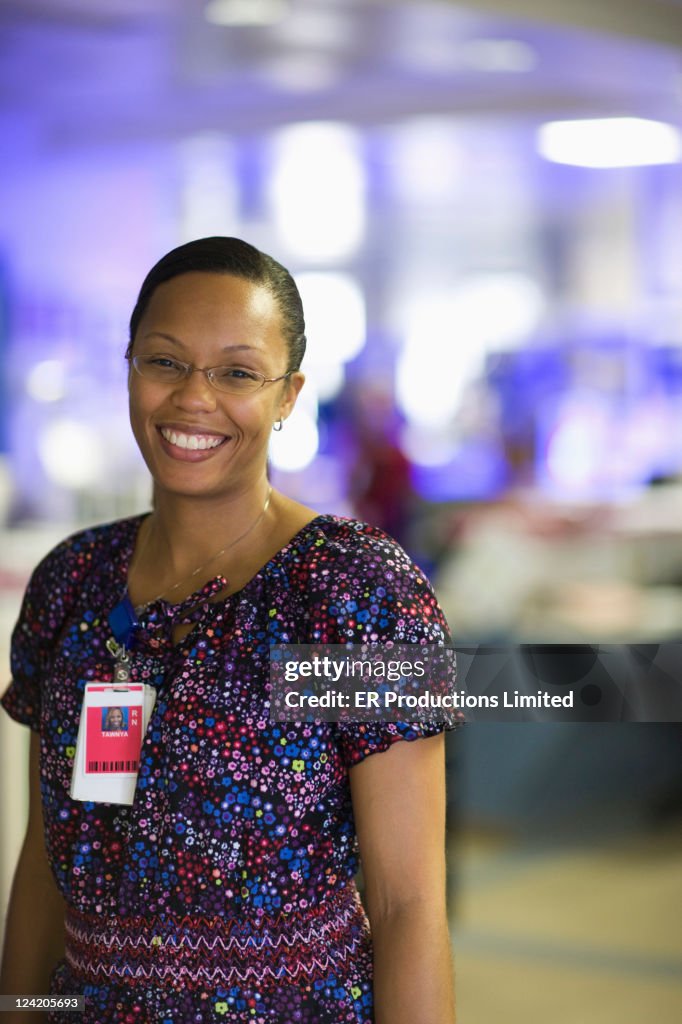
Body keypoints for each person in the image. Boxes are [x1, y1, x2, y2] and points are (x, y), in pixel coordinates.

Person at [0, 237, 461, 1024]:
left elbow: (407, 904)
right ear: (130, 367)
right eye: (164, 362)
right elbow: (48, 868)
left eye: (238, 373)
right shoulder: (75, 583)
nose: (193, 399)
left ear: (289, 396)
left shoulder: (356, 591)